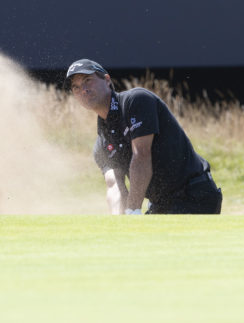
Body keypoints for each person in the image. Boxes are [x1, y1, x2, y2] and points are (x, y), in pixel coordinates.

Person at [65, 59, 223, 215]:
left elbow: (141, 154)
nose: (83, 89)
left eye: (88, 80)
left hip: (193, 196)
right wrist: (118, 222)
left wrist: (133, 210)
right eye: (76, 87)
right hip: (160, 205)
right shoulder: (101, 145)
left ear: (107, 80)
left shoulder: (137, 101)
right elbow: (115, 187)